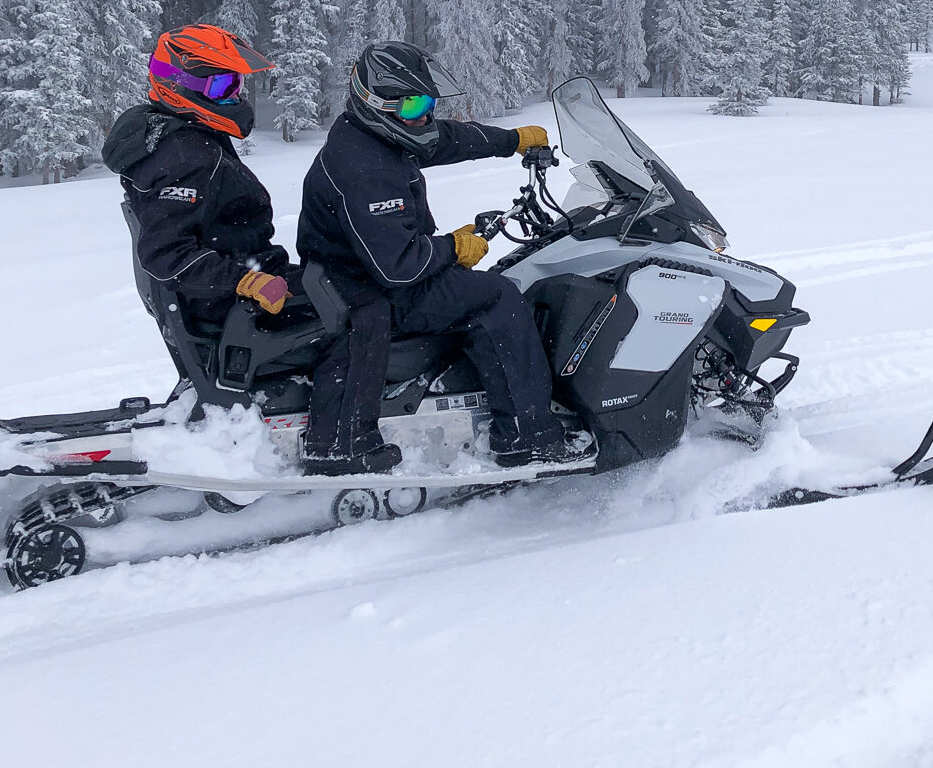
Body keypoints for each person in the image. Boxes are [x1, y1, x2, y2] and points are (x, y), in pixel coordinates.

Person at [296, 41, 592, 475]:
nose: (425, 113)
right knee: (497, 296)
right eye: (416, 103)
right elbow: (399, 266)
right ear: (378, 101)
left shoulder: (371, 134)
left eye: (428, 101)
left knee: (483, 283)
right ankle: (528, 438)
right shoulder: (364, 169)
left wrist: (510, 141)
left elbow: (440, 140)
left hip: (359, 271)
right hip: (370, 287)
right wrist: (454, 247)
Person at [103, 24, 296, 333]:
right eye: (222, 87)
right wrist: (245, 281)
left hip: (245, 273)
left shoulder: (186, 134)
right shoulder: (185, 157)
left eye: (236, 84)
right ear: (178, 86)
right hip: (227, 302)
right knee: (360, 320)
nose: (234, 96)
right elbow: (166, 252)